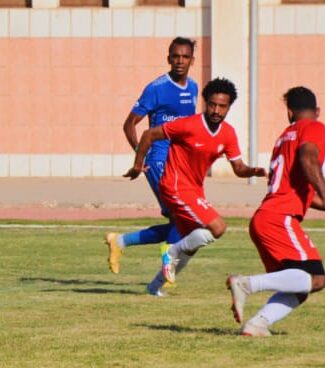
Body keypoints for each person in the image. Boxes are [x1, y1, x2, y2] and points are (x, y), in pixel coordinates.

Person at [226, 87, 325, 336]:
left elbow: (301, 190)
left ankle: (256, 325)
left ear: (289, 112)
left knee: (299, 287)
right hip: (279, 218)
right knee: (316, 278)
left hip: (265, 218)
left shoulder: (283, 137)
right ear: (317, 111)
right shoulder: (313, 127)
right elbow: (308, 159)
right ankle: (246, 284)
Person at [124, 77, 265, 296]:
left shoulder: (227, 133)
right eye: (212, 104)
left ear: (229, 107)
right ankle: (170, 251)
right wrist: (137, 164)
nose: (216, 110)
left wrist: (253, 171)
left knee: (193, 243)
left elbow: (238, 167)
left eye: (222, 106)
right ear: (205, 103)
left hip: (194, 190)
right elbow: (149, 134)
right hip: (174, 186)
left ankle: (154, 288)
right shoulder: (188, 124)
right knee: (218, 228)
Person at [106, 37, 198, 275]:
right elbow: (129, 125)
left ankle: (120, 242)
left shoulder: (193, 88)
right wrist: (140, 156)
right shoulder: (156, 88)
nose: (180, 61)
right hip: (158, 161)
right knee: (182, 214)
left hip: (181, 165)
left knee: (180, 221)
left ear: (192, 60)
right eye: (175, 56)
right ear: (168, 59)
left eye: (185, 57)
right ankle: (168, 261)